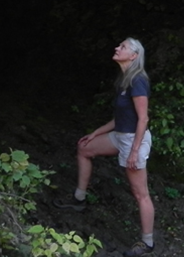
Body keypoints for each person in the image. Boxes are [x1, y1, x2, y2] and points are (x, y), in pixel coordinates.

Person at [53, 38, 156, 256]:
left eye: (123, 47)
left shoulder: (138, 81)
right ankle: (79, 199)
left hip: (133, 139)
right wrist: (95, 133)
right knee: (84, 148)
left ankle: (147, 242)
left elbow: (143, 119)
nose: (117, 48)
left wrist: (135, 151)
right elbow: (121, 118)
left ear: (134, 55)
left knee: (140, 193)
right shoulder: (123, 79)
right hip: (120, 135)